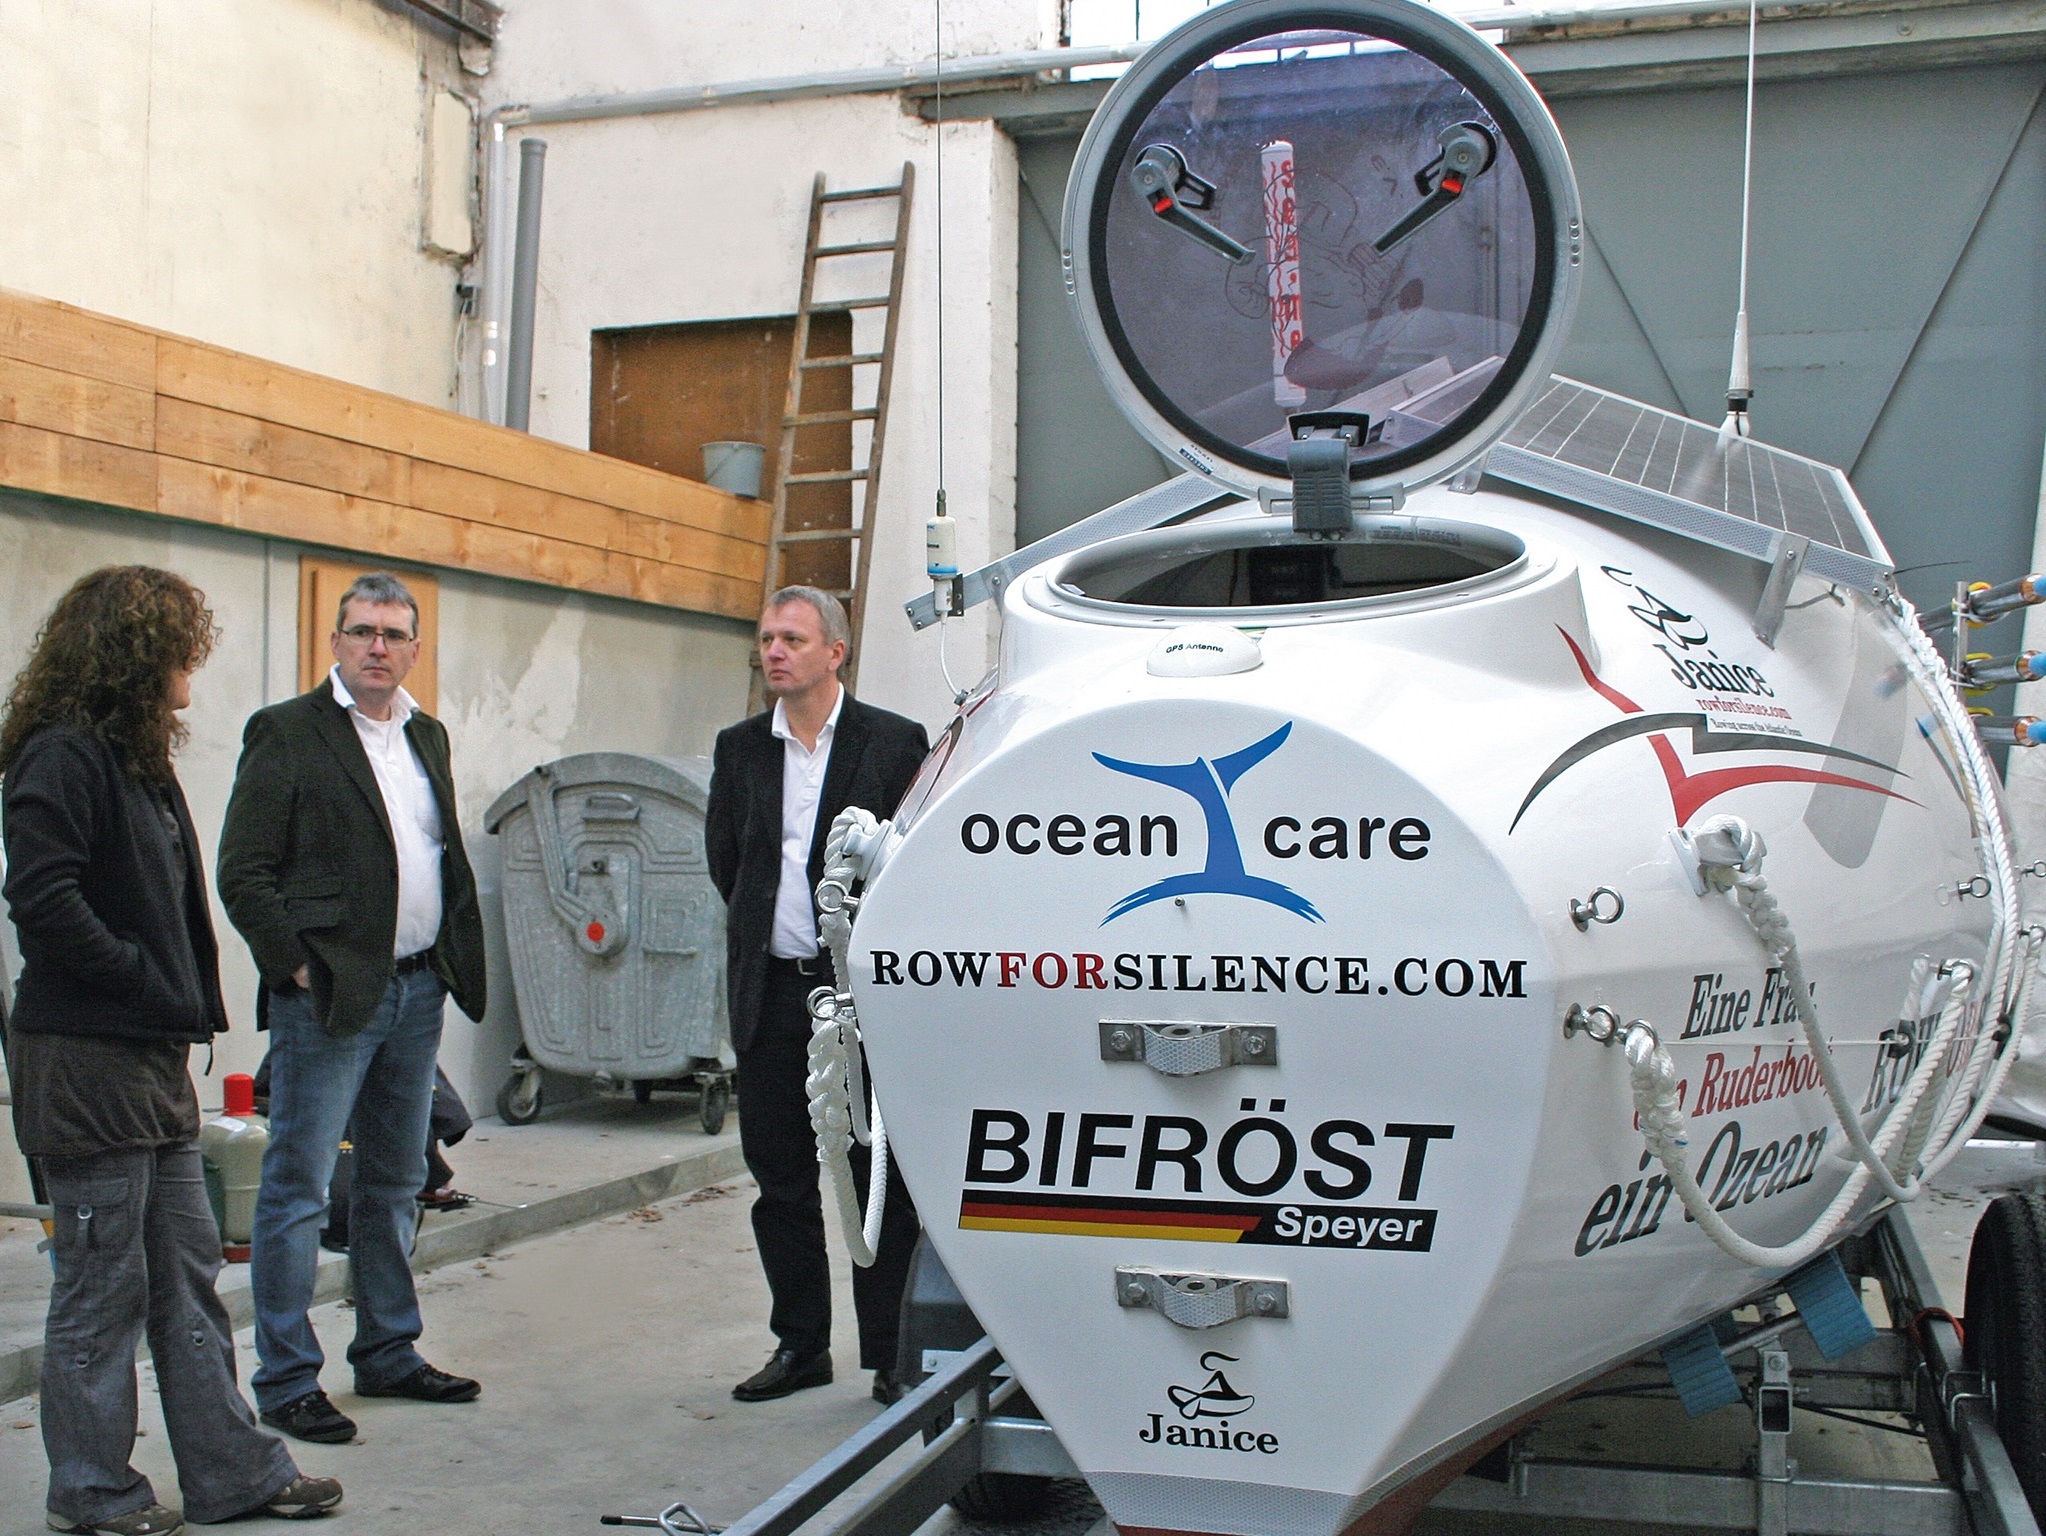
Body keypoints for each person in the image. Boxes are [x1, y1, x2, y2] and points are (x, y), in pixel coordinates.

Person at [1, 566, 342, 1535]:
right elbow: (42, 899)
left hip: (145, 1057)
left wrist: (168, 1003)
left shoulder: (130, 760)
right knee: (102, 1291)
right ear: (137, 653)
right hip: (88, 1060)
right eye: (182, 645)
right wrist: (147, 984)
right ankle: (91, 1493)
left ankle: (234, 1474)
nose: (193, 663)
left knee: (187, 1277)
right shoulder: (62, 755)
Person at [217, 572, 487, 1446]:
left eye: (394, 634)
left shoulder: (425, 735)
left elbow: (433, 854)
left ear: (414, 649)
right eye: (363, 631)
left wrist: (445, 959)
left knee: (396, 1179)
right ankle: (287, 1378)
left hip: (416, 989)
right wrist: (295, 965)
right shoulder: (288, 732)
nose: (378, 646)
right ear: (335, 643)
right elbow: (243, 871)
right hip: (330, 997)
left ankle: (387, 1349)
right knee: (298, 1188)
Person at [706, 586, 929, 1405]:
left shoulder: (894, 742)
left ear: (835, 652)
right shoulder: (740, 749)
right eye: (767, 637)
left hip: (860, 1000)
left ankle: (890, 1356)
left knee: (878, 1177)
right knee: (781, 1179)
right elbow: (729, 864)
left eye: (792, 639)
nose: (774, 651)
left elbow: (911, 864)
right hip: (772, 995)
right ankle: (800, 1346)